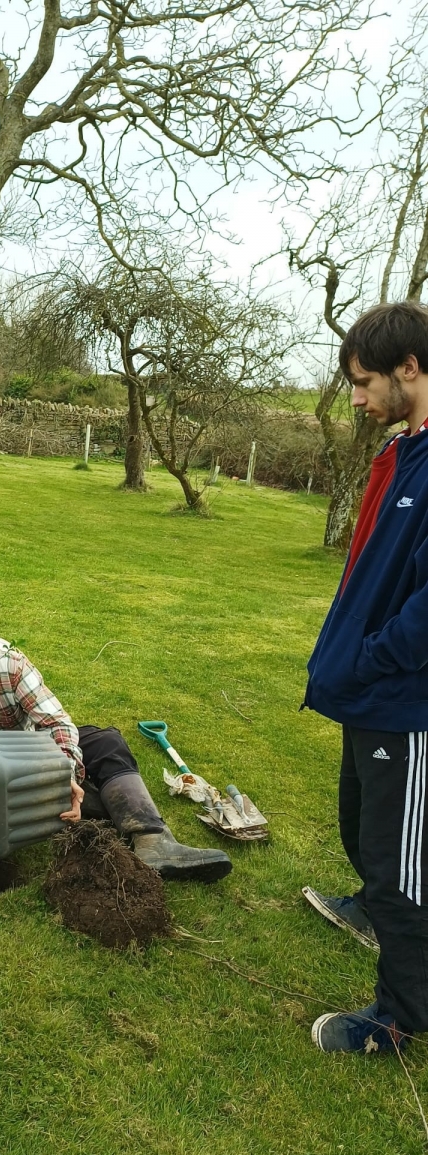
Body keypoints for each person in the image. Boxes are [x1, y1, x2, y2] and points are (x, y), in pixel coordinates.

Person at [304, 301, 428, 1054]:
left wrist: (376, 654)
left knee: (400, 862)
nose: (355, 398)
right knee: (359, 824)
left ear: (409, 368)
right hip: (366, 689)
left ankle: (400, 1015)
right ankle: (373, 907)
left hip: (407, 700)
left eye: (363, 381)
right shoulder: (406, 451)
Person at [0, 613, 232, 882]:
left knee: (104, 742)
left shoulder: (7, 662)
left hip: (27, 751)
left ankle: (152, 841)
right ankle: (92, 805)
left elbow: (57, 723)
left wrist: (68, 774)